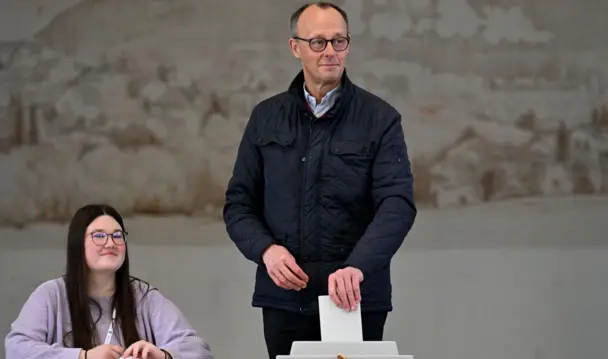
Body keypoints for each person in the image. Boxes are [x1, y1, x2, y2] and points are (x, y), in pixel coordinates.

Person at [222, 2, 416, 358]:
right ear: (295, 47)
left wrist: (357, 266)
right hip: (284, 299)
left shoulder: (381, 119)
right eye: (318, 42)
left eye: (338, 41)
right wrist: (266, 251)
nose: (330, 51)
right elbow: (239, 204)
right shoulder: (265, 118)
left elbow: (397, 205)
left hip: (355, 298)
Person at [4, 204, 213, 359]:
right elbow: (16, 348)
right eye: (99, 236)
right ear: (78, 244)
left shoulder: (144, 297)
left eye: (117, 235)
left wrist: (163, 354)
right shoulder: (51, 294)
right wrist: (83, 357)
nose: (110, 243)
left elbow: (198, 349)